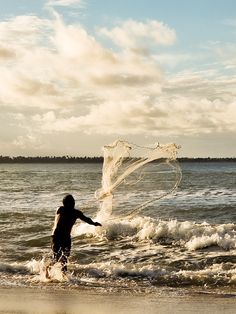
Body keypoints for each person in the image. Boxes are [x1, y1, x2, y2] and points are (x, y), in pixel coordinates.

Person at [49, 194, 102, 274]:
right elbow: (61, 211)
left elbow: (86, 219)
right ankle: (47, 271)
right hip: (57, 236)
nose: (73, 204)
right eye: (70, 202)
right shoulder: (61, 209)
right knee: (57, 257)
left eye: (73, 202)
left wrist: (94, 223)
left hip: (66, 237)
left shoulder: (76, 213)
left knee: (65, 257)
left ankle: (64, 275)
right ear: (65, 204)